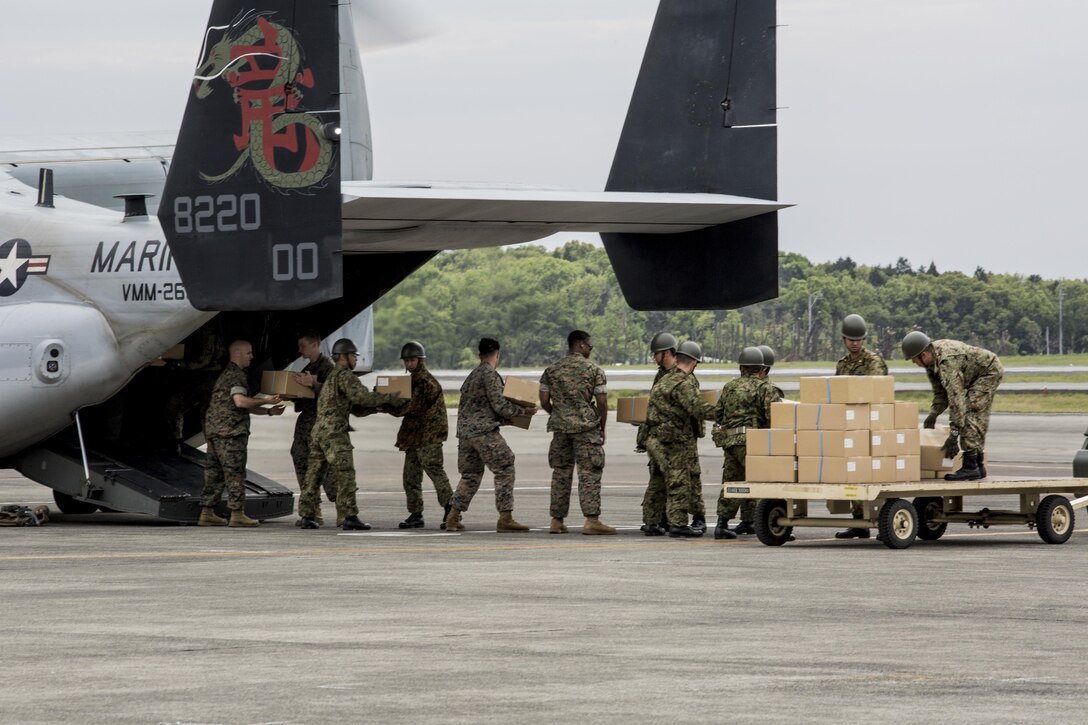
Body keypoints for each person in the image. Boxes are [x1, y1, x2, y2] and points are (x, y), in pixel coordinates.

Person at [297, 338, 406, 530]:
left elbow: (354, 407)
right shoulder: (345, 376)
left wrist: (378, 406)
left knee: (313, 475)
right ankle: (349, 516)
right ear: (343, 357)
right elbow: (361, 398)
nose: (356, 359)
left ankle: (307, 515)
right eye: (353, 356)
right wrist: (392, 397)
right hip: (334, 433)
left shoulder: (331, 377)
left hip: (319, 433)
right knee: (345, 473)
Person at [444, 338, 538, 532]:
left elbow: (479, 407)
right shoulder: (490, 375)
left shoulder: (471, 376)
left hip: (465, 434)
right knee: (505, 465)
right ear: (497, 354)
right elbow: (499, 405)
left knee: (470, 475)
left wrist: (504, 420)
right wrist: (523, 413)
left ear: (480, 355)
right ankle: (505, 518)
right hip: (483, 432)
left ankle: (452, 517)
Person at [198, 340, 284, 527]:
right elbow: (240, 402)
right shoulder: (236, 375)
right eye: (248, 353)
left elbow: (239, 406)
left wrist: (269, 411)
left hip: (215, 431)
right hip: (230, 433)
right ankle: (237, 514)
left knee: (215, 473)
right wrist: (265, 401)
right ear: (237, 353)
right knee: (235, 472)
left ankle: (207, 512)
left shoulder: (226, 374)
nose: (252, 357)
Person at [539, 330, 613, 535]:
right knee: (589, 473)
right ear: (580, 345)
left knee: (560, 474)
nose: (591, 349)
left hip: (560, 430)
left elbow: (544, 400)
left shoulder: (551, 370)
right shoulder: (594, 370)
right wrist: (602, 427)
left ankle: (557, 520)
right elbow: (602, 402)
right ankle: (591, 520)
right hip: (586, 429)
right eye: (590, 345)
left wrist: (559, 414)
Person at [902, 331, 1003, 481]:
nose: (913, 363)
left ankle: (970, 466)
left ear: (923, 355)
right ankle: (978, 464)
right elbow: (940, 393)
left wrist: (953, 436)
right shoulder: (932, 364)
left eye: (914, 359)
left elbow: (956, 401)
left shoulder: (947, 362)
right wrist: (933, 414)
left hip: (988, 371)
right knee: (971, 412)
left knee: (970, 411)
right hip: (977, 374)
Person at [643, 340, 718, 538]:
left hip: (655, 439)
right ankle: (678, 524)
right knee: (679, 481)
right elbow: (698, 409)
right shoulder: (683, 383)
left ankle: (651, 522)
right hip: (673, 441)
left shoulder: (663, 380)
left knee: (657, 482)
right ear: (693, 361)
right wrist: (725, 412)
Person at [712, 347, 782, 539]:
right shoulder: (765, 388)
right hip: (752, 442)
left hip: (731, 442)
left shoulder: (729, 387)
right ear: (761, 369)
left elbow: (718, 414)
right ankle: (774, 523)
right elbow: (775, 417)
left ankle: (723, 524)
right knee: (766, 481)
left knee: (731, 482)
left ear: (742, 368)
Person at [834, 315, 888, 538]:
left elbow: (875, 392)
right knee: (852, 474)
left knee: (872, 475)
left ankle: (878, 519)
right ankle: (859, 523)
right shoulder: (843, 364)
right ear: (844, 339)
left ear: (864, 339)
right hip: (850, 427)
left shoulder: (873, 362)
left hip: (871, 425)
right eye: (851, 339)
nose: (855, 343)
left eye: (859, 339)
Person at [392, 340, 453, 530]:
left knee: (435, 472)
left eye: (412, 360)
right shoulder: (411, 382)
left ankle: (452, 511)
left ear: (420, 360)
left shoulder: (425, 382)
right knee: (410, 477)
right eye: (406, 361)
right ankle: (415, 514)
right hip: (414, 436)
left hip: (429, 436)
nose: (409, 364)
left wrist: (383, 402)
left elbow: (408, 407)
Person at [289, 330, 336, 526]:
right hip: (305, 423)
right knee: (300, 458)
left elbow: (334, 393)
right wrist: (291, 392)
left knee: (326, 466)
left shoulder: (328, 367)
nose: (300, 350)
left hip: (321, 423)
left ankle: (344, 507)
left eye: (303, 346)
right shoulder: (309, 367)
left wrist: (313, 383)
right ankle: (312, 508)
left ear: (315, 344)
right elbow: (305, 396)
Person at [638, 332, 677, 535]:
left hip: (673, 436)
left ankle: (661, 519)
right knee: (661, 479)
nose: (654, 358)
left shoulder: (679, 374)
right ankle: (654, 520)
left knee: (667, 479)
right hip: (660, 436)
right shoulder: (661, 375)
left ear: (667, 352)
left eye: (657, 354)